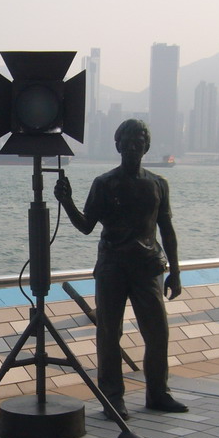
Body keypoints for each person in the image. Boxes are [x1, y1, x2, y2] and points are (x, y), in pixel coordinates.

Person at [54, 119, 189, 420]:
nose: (132, 146)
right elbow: (86, 226)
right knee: (108, 334)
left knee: (157, 334)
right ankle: (112, 398)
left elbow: (167, 229)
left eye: (138, 140)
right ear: (117, 146)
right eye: (126, 141)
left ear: (146, 146)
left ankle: (158, 393)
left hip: (149, 268)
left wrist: (176, 272)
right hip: (112, 267)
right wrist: (67, 202)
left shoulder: (157, 184)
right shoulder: (104, 183)